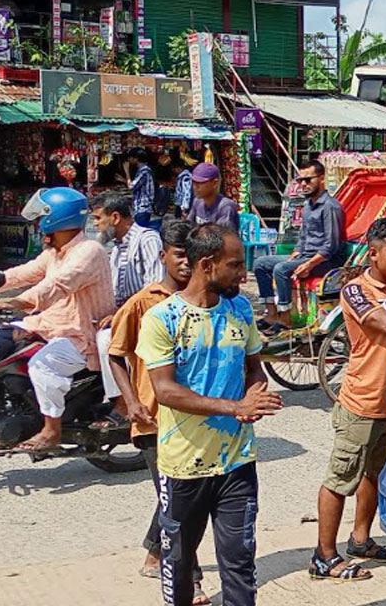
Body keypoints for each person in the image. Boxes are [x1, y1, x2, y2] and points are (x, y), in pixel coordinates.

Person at [136, 224, 282, 606]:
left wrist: (255, 395)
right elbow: (165, 390)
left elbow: (254, 367)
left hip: (237, 461)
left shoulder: (240, 309)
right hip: (184, 467)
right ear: (206, 264)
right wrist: (235, 407)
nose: (243, 275)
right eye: (234, 265)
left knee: (240, 562)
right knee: (180, 563)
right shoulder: (162, 319)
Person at [105, 219, 209, 604]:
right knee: (180, 504)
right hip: (153, 421)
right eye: (179, 255)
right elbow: (115, 354)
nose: (186, 263)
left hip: (197, 419)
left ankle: (155, 553)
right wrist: (131, 402)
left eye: (192, 256)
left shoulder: (205, 300)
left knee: (184, 499)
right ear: (163, 255)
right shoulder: (142, 303)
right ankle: (191, 581)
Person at [311, 218, 386, 581]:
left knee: (373, 474)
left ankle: (360, 540)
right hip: (363, 402)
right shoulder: (356, 291)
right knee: (341, 478)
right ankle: (324, 556)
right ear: (373, 254)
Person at [0, 188, 113, 452]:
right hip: (48, 326)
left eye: (42, 216)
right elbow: (21, 274)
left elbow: (56, 285)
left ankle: (52, 430)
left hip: (80, 334)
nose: (39, 222)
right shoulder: (56, 252)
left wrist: (13, 302)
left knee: (42, 365)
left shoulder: (89, 251)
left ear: (56, 218)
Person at [90, 191, 164, 427]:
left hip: (145, 314)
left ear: (114, 217)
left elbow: (154, 286)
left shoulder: (146, 239)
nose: (95, 225)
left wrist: (120, 315)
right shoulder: (116, 247)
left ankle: (122, 403)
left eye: (98, 218)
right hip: (122, 313)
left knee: (106, 341)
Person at [254, 160, 346, 331]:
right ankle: (271, 313)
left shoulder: (330, 207)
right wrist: (295, 254)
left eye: (308, 180)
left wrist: (309, 264)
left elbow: (331, 245)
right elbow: (302, 237)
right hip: (306, 255)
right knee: (261, 263)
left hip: (325, 261)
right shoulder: (308, 206)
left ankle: (285, 318)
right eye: (300, 180)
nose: (303, 184)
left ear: (321, 178)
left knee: (281, 269)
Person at [187, 162, 239, 230]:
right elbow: (187, 226)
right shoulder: (197, 202)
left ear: (214, 183)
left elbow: (222, 235)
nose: (195, 187)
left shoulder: (225, 207)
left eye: (200, 182)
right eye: (194, 182)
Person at [124, 147, 156, 228]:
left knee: (139, 231)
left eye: (130, 158)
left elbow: (131, 186)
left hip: (142, 208)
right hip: (140, 207)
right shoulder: (142, 170)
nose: (129, 160)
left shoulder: (144, 171)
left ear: (136, 158)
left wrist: (127, 172)